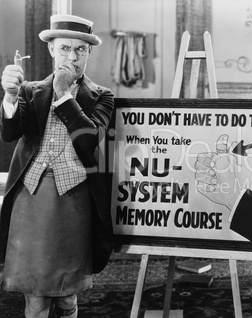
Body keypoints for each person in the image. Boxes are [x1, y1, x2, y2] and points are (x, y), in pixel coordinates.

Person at [0, 14, 114, 318]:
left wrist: (65, 95)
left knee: (65, 297)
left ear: (89, 53)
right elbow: (10, 134)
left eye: (80, 50)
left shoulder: (102, 97)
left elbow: (88, 141)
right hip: (31, 201)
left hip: (74, 202)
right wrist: (10, 97)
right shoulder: (30, 90)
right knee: (35, 297)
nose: (72, 57)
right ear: (52, 50)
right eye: (65, 48)